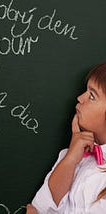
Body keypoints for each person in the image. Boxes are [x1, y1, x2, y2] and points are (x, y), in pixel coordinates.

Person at [26, 62, 106, 214]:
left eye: (92, 95)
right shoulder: (74, 156)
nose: (80, 98)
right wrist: (70, 160)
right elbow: (40, 207)